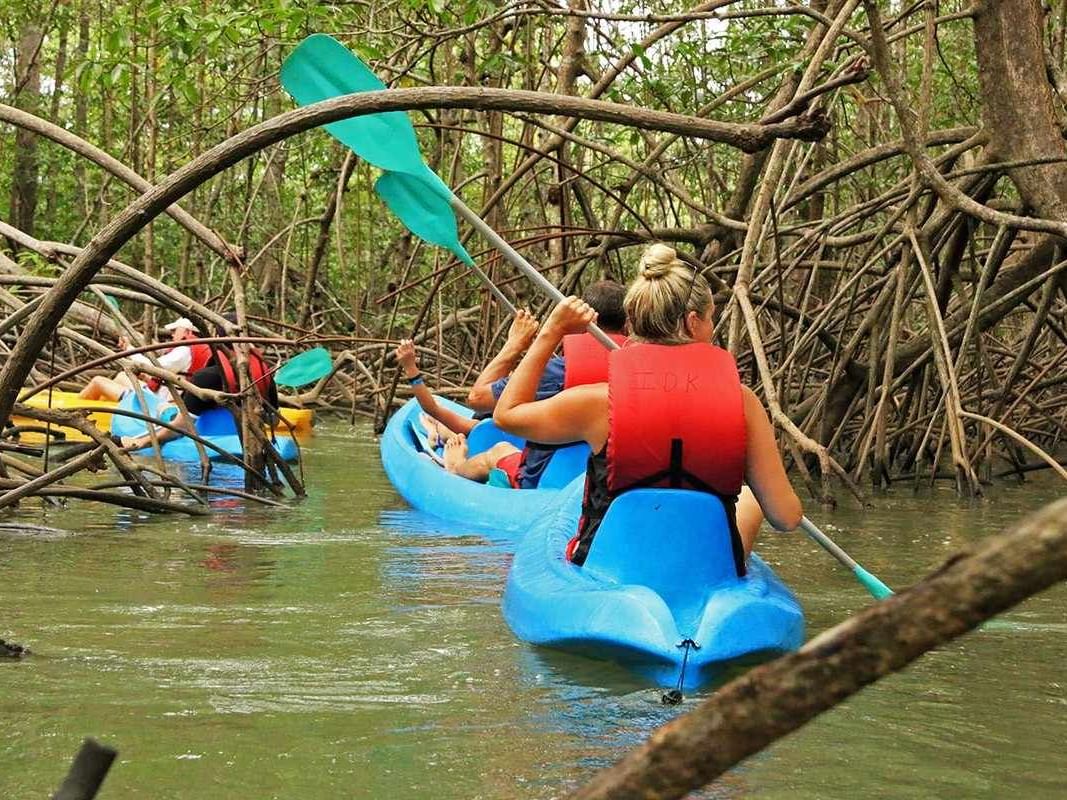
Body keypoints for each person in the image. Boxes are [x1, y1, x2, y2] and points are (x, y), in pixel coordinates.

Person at [494, 243, 803, 567]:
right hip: (703, 570)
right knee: (751, 500)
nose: (713, 329)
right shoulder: (744, 402)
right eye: (712, 319)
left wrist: (551, 332)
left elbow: (506, 414)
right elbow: (786, 516)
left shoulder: (600, 402)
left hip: (610, 564)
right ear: (693, 322)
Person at [466, 281, 628, 489]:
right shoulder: (636, 371)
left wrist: (514, 345)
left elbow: (477, 399)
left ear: (580, 322)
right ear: (627, 325)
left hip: (544, 479)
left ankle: (454, 466)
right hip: (609, 479)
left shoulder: (555, 372)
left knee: (499, 450)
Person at [119, 318, 278, 449]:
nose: (172, 334)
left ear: (216, 339)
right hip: (254, 437)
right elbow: (274, 420)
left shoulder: (206, 376)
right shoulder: (264, 369)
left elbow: (182, 428)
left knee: (166, 410)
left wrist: (141, 442)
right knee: (168, 407)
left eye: (175, 331)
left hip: (216, 434)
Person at [394, 339, 523, 485]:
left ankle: (444, 445)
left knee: (457, 433)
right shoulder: (486, 423)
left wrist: (410, 368)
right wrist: (410, 368)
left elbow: (433, 409)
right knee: (458, 430)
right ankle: (435, 431)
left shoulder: (506, 422)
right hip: (480, 426)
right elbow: (433, 408)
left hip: (479, 434)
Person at [80, 317, 213, 402]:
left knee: (97, 381)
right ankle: (109, 411)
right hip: (165, 395)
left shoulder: (184, 351)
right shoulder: (197, 348)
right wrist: (147, 379)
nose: (172, 334)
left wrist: (128, 348)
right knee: (121, 376)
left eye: (175, 330)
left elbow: (151, 367)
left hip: (156, 403)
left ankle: (75, 411)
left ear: (187, 332)